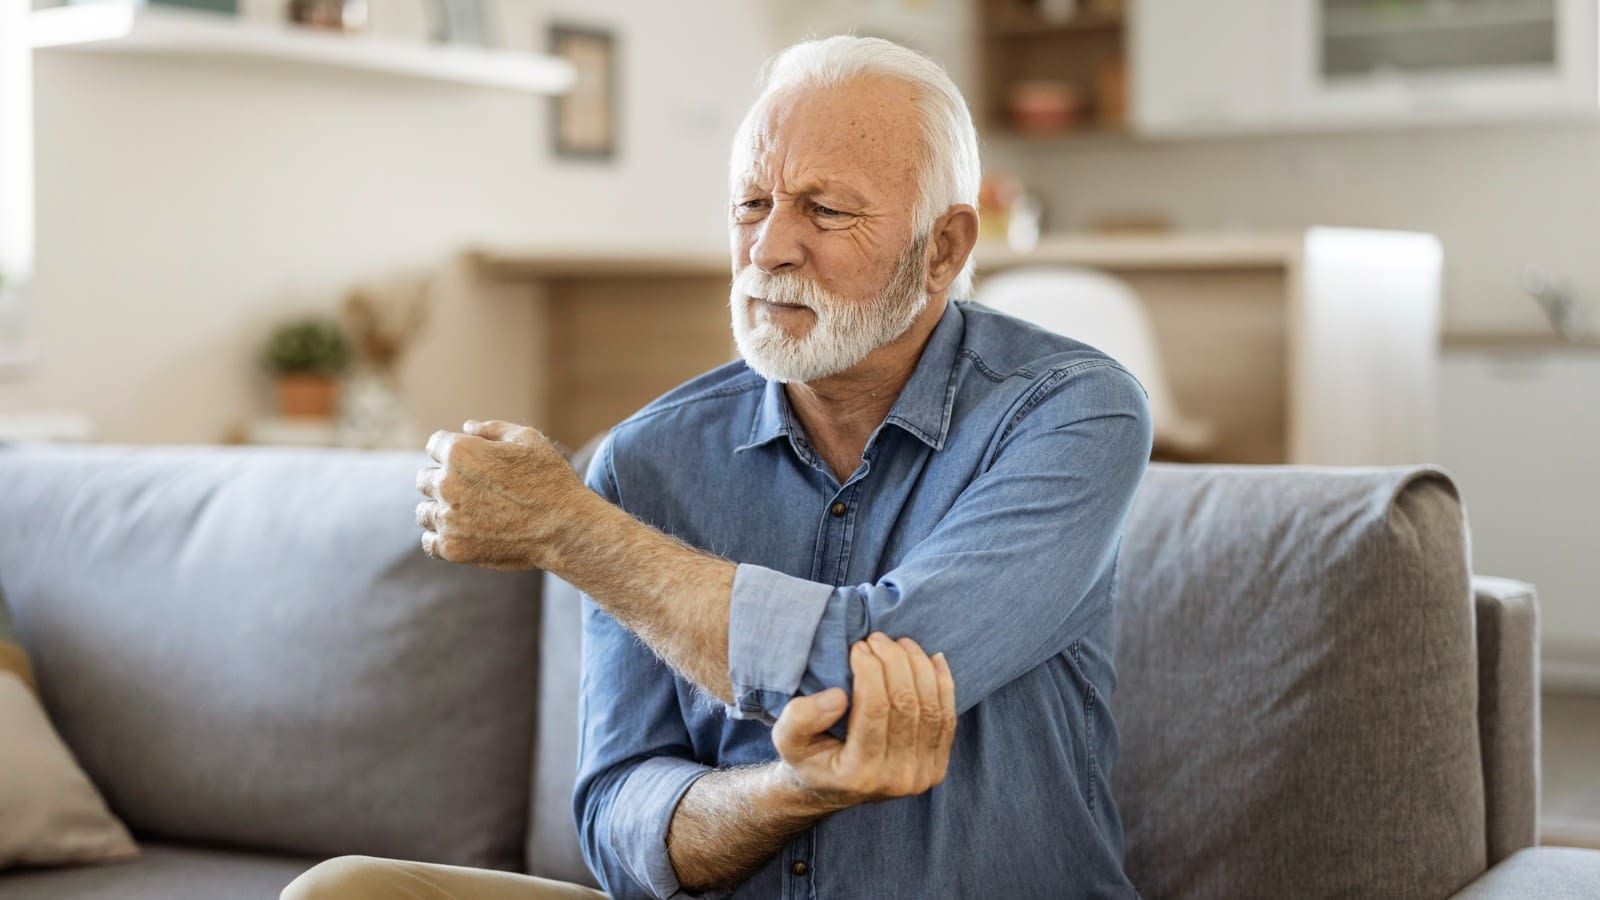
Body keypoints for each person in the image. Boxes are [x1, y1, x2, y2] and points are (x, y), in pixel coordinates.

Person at [283, 34, 1150, 900]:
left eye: (825, 210)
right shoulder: (647, 459)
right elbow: (618, 816)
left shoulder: (1070, 412)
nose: (769, 248)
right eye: (750, 203)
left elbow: (864, 675)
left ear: (943, 248)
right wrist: (787, 795)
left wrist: (571, 529)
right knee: (344, 891)